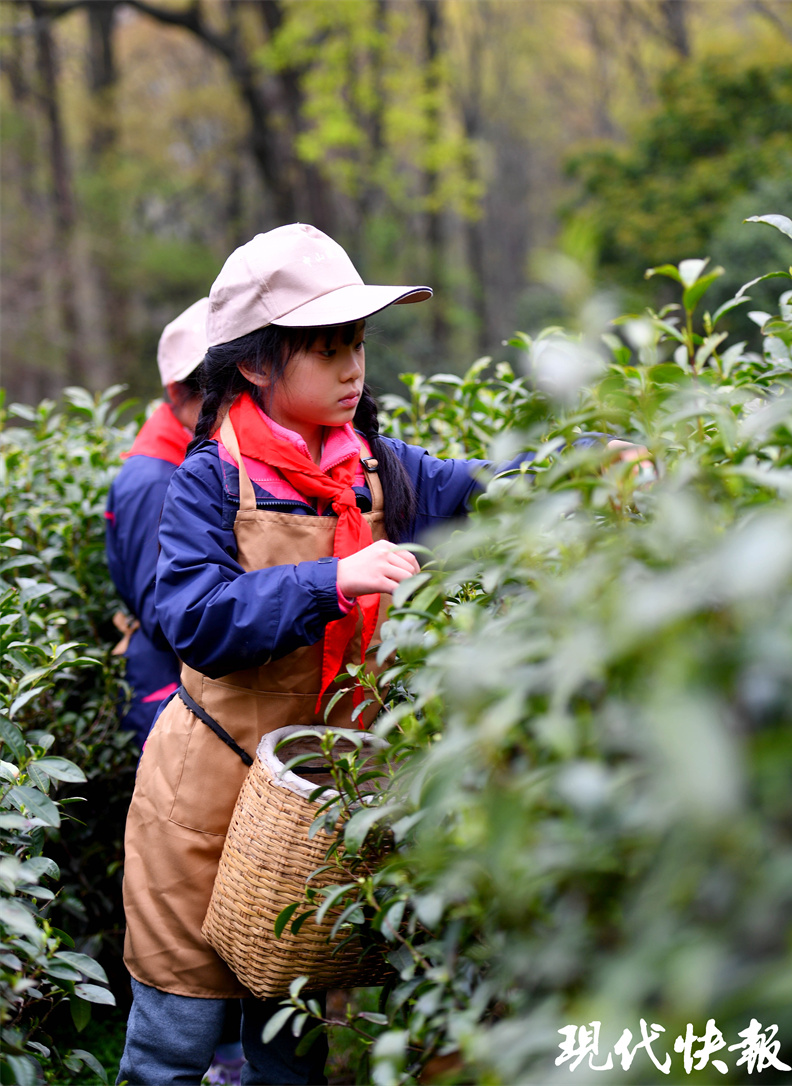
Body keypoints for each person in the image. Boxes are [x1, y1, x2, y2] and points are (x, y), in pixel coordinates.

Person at [116, 224, 639, 1085]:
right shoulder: (207, 480)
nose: (353, 368)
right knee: (172, 1043)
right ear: (256, 364)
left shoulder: (379, 472)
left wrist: (585, 466)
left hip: (308, 811)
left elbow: (483, 486)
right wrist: (333, 578)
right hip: (204, 802)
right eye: (326, 350)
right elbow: (194, 621)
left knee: (286, 1050)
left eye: (356, 344)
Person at [105, 298, 208, 749]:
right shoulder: (156, 478)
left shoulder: (178, 461)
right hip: (165, 689)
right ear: (177, 391)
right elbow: (163, 615)